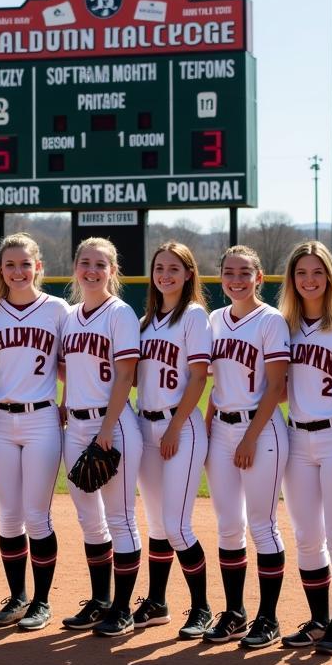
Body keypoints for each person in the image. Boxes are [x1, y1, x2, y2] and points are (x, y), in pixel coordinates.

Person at [276, 241, 332, 656]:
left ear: (329, 276)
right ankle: (318, 621)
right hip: (296, 437)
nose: (309, 280)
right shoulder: (284, 325)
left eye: (317, 272)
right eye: (301, 273)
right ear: (291, 280)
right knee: (307, 536)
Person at [202, 245, 290, 649]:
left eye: (244, 272)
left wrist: (251, 437)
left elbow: (277, 387)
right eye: (229, 272)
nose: (236, 279)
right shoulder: (214, 320)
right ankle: (235, 612)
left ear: (260, 277)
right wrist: (206, 432)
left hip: (262, 429)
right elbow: (214, 386)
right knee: (228, 526)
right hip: (221, 429)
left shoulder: (270, 321)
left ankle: (268, 618)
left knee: (262, 525)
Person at [0, 233, 69, 632]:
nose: (18, 271)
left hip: (41, 420)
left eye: (25, 264)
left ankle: (41, 601)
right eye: (10, 264)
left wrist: (70, 399)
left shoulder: (58, 310)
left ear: (39, 268)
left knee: (37, 515)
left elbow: (74, 363)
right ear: (1, 269)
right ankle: (17, 597)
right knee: (8, 517)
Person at [60, 237, 142, 638]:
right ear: (76, 268)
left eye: (100, 264)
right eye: (85, 263)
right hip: (75, 425)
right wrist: (65, 401)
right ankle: (100, 601)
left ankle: (123, 609)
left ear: (112, 271)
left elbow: (125, 374)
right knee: (89, 521)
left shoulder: (120, 313)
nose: (92, 270)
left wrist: (107, 428)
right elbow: (71, 369)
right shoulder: (71, 316)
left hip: (114, 425)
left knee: (121, 518)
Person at [135, 242, 214, 640]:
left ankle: (202, 608)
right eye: (159, 267)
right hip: (146, 426)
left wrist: (175, 427)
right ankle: (157, 602)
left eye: (174, 268)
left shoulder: (194, 317)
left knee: (177, 525)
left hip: (178, 428)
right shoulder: (147, 320)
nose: (165, 274)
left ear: (188, 274)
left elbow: (199, 378)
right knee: (156, 525)